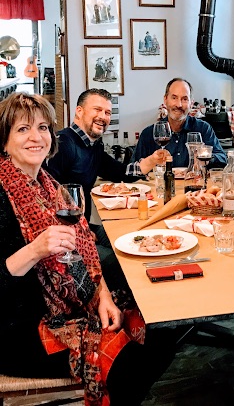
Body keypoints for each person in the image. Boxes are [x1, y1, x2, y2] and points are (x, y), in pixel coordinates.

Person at [0, 93, 180, 405]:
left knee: (162, 321)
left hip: (70, 304)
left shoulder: (50, 185)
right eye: (22, 129)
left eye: (43, 128)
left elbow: (86, 256)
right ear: (3, 140)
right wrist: (34, 250)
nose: (35, 137)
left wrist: (104, 298)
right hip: (20, 328)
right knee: (131, 355)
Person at [45, 89, 166, 288]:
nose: (103, 117)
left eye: (107, 113)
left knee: (133, 239)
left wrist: (152, 160)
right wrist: (79, 232)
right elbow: (49, 199)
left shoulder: (93, 145)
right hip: (65, 238)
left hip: (82, 227)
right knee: (121, 262)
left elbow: (119, 172)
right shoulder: (63, 143)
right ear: (79, 111)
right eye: (97, 109)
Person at [132, 77, 227, 168]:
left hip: (194, 183)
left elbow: (222, 158)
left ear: (191, 103)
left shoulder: (203, 129)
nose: (179, 104)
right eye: (174, 98)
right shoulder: (148, 134)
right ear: (165, 100)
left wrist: (207, 159)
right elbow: (132, 170)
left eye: (184, 99)